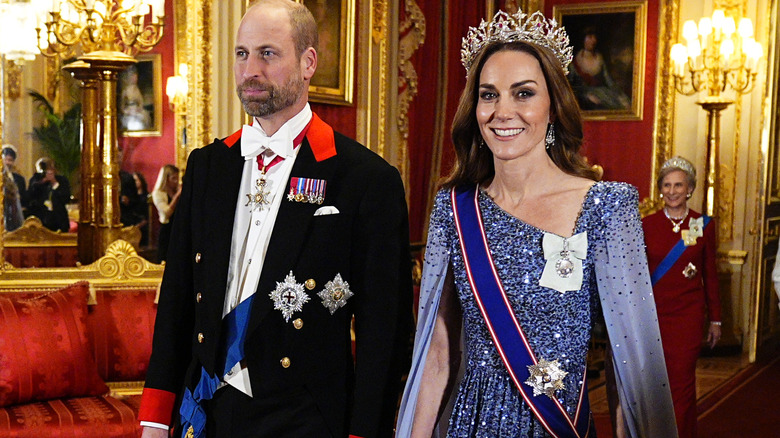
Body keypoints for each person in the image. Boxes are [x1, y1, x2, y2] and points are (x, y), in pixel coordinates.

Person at [396, 10, 677, 438]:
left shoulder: (606, 206)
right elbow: (437, 354)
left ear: (554, 105)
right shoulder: (453, 209)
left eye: (523, 93)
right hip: (471, 425)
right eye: (488, 95)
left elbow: (631, 365)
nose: (502, 111)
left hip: (555, 422)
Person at [138, 1, 412, 437]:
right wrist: (155, 414)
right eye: (242, 53)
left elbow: (385, 333)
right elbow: (178, 298)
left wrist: (365, 431)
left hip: (305, 417)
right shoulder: (209, 165)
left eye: (268, 53)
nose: (251, 70)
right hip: (208, 409)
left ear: (308, 63)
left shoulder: (363, 178)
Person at [642, 156, 721, 438]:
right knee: (653, 383)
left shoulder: (702, 225)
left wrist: (716, 320)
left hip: (687, 316)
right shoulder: (646, 225)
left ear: (690, 189)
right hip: (653, 315)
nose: (672, 191)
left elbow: (709, 273)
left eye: (679, 185)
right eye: (667, 185)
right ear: (660, 189)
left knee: (682, 382)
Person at [567, 27, 630, 110]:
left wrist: (619, 94)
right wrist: (586, 95)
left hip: (602, 93)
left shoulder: (599, 59)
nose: (593, 41)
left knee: (622, 103)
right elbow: (570, 86)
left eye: (594, 38)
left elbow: (609, 81)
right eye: (590, 37)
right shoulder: (575, 62)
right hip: (584, 97)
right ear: (583, 39)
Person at [26, 157, 71, 232]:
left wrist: (54, 183)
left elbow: (66, 198)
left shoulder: (62, 180)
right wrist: (41, 182)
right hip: (41, 220)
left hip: (58, 220)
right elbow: (30, 197)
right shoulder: (35, 180)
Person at [151, 164, 180, 263]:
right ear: (166, 179)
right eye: (173, 178)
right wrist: (177, 196)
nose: (176, 181)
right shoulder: (158, 193)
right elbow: (166, 212)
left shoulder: (176, 191)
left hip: (178, 228)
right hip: (167, 229)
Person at [119, 65, 152, 131]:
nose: (135, 78)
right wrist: (126, 111)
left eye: (136, 77)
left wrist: (139, 108)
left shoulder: (136, 89)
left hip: (137, 110)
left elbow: (140, 101)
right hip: (128, 111)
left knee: (144, 118)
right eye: (133, 77)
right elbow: (122, 105)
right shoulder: (125, 90)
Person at [2, 145, 28, 210]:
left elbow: (24, 200)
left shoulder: (20, 179)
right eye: (5, 159)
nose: (7, 162)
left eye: (10, 160)